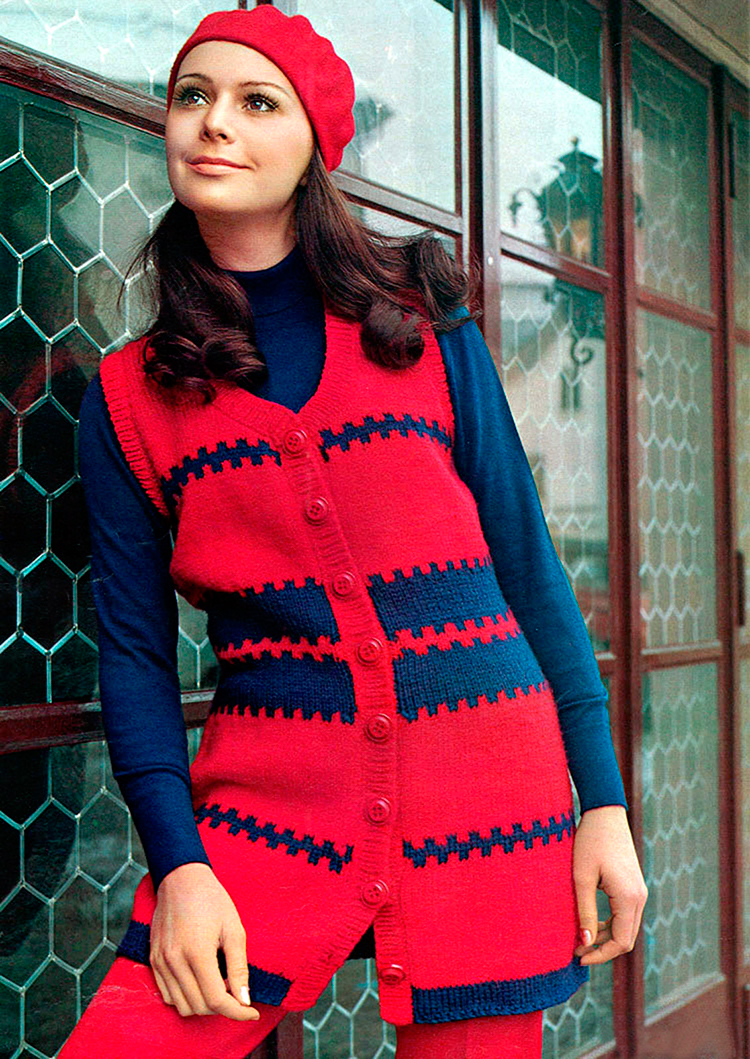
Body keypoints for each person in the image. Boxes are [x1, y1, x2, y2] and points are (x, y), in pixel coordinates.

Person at [60, 7, 647, 1058]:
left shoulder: (421, 324)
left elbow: (528, 569)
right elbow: (136, 653)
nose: (214, 123)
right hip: (271, 801)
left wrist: (601, 802)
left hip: (485, 793)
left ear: (314, 148)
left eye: (257, 102)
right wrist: (180, 863)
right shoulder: (129, 398)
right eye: (192, 97)